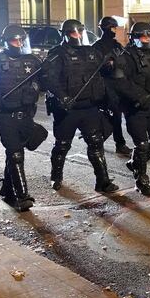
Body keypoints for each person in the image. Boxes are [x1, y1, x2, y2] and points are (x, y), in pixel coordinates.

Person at [44, 19, 119, 193]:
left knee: (96, 144)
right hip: (68, 109)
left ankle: (103, 181)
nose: (77, 36)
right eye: (73, 33)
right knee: (62, 145)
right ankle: (56, 176)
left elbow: (103, 71)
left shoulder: (91, 50)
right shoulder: (58, 53)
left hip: (89, 107)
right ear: (65, 35)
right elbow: (49, 79)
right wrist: (62, 97)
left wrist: (110, 65)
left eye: (79, 32)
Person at [0, 24, 46, 212]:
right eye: (14, 40)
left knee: (14, 155)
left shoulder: (32, 61)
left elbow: (44, 81)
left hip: (26, 114)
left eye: (21, 40)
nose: (18, 43)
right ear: (6, 42)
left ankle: (7, 190)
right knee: (16, 154)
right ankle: (22, 196)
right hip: (6, 117)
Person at [108, 22, 150, 195]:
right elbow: (120, 82)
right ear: (135, 38)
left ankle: (135, 162)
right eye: (143, 36)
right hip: (134, 107)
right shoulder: (126, 56)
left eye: (149, 36)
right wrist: (139, 96)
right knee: (141, 144)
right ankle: (141, 179)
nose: (147, 39)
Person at [93, 16, 132, 155]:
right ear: (108, 28)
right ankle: (114, 142)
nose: (115, 30)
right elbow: (98, 67)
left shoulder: (116, 45)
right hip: (106, 84)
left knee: (117, 114)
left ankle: (114, 142)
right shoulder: (98, 46)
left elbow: (125, 60)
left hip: (119, 83)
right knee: (112, 115)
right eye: (113, 28)